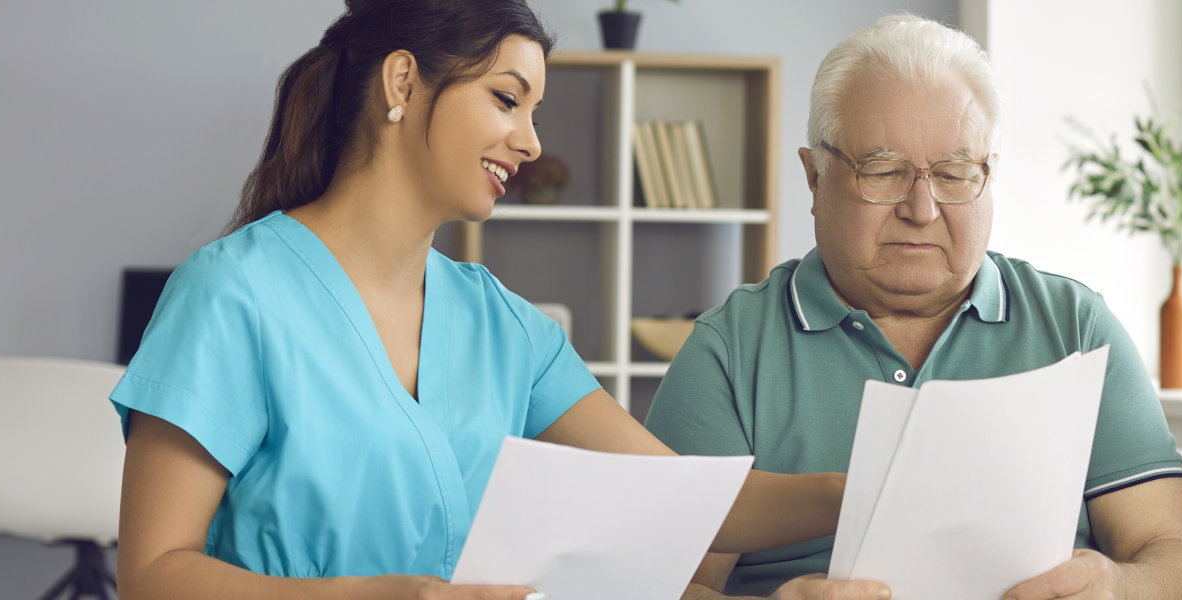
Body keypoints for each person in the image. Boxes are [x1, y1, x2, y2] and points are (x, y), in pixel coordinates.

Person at [110, 2, 843, 598]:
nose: (529, 143)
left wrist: (853, 493)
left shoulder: (505, 326)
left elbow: (678, 498)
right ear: (402, 84)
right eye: (506, 99)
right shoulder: (233, 294)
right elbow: (151, 574)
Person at [645, 14, 1182, 600]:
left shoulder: (1075, 325)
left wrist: (1119, 587)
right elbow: (655, 583)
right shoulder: (730, 350)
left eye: (955, 173)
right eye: (884, 171)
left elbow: (1178, 559)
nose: (922, 207)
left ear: (990, 178)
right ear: (814, 177)